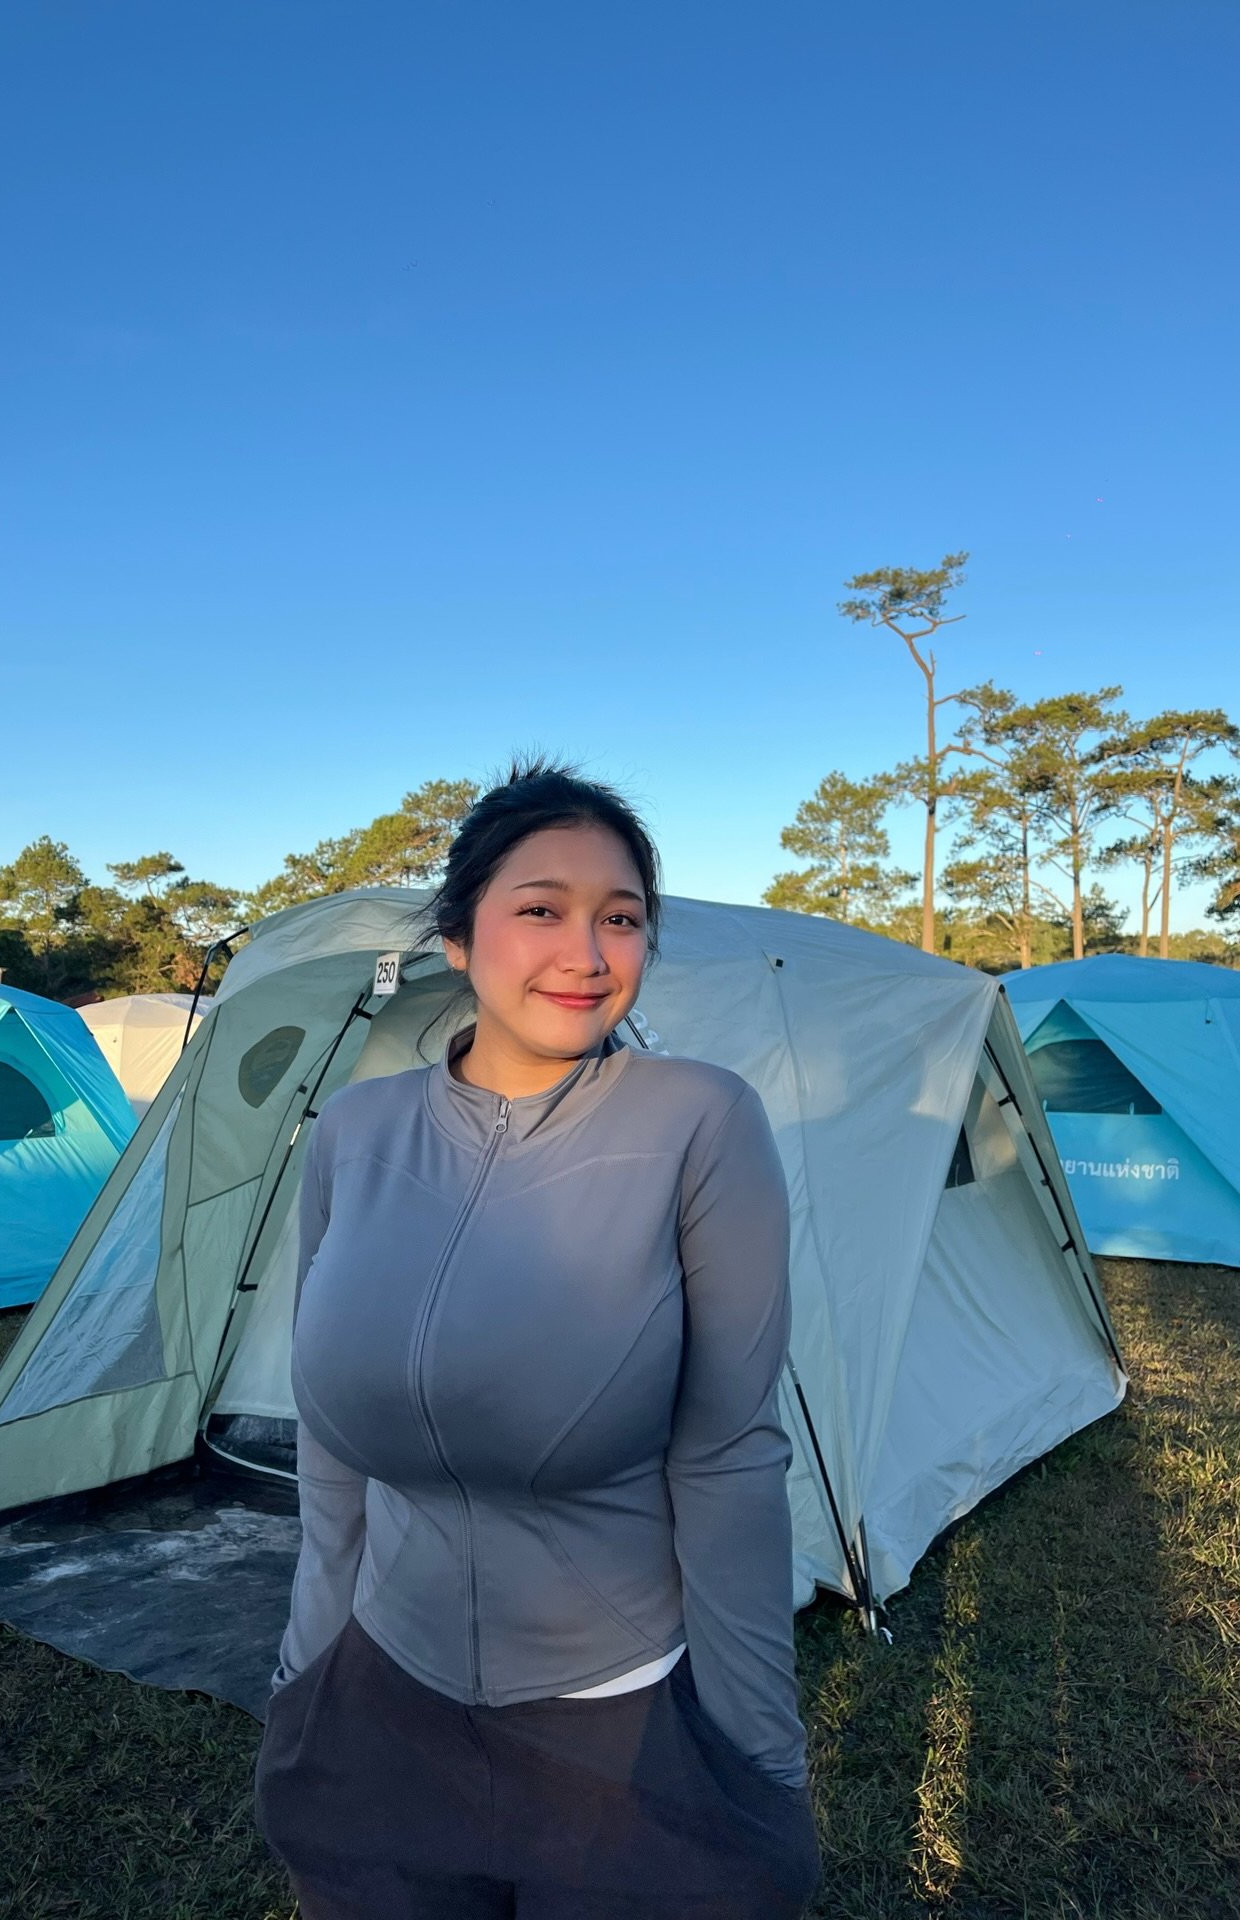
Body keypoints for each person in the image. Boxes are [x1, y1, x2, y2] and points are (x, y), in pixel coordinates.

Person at [256, 760, 821, 1919]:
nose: (588, 953)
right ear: (458, 940)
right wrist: (303, 1674)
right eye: (542, 910)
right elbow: (331, 1445)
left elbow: (728, 1459)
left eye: (622, 918)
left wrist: (760, 1763)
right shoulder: (355, 1132)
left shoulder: (700, 1121)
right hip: (379, 1702)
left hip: (617, 1719)